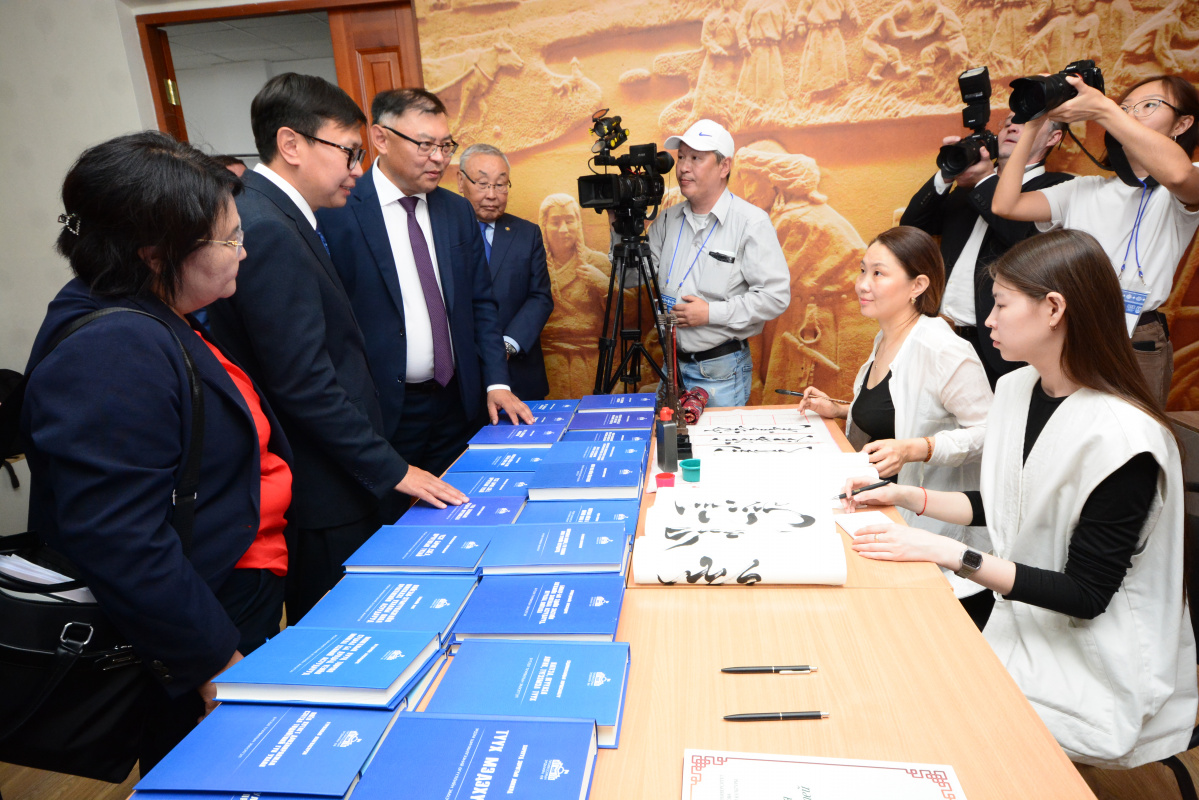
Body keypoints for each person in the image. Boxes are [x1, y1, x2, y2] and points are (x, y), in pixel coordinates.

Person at [841, 229, 1197, 769]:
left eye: (1001, 304)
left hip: (1093, 663)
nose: (988, 321)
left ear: (1053, 308)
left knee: (908, 703)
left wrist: (946, 552)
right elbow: (1009, 503)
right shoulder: (1017, 390)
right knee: (883, 670)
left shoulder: (1125, 440)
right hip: (1020, 621)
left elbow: (1085, 594)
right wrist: (909, 495)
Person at [22, 132, 292, 770]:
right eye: (229, 239)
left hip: (227, 593)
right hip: (193, 629)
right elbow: (119, 538)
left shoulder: (154, 309)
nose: (243, 251)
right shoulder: (112, 348)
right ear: (155, 254)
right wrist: (214, 665)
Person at [207, 74, 465, 624]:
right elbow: (303, 380)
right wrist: (393, 468)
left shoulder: (281, 215)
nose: (357, 168)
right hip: (321, 488)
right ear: (291, 144)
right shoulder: (268, 227)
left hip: (335, 475)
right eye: (348, 151)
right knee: (344, 628)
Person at [317, 88, 532, 484]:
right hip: (384, 411)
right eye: (425, 145)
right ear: (381, 139)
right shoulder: (337, 210)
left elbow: (481, 303)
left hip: (458, 403)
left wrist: (496, 381)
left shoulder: (456, 210)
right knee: (394, 514)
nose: (439, 158)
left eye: (445, 145)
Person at [799, 227, 993, 625]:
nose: (862, 284)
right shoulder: (885, 337)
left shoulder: (944, 349)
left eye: (878, 273)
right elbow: (896, 410)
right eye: (862, 270)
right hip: (883, 510)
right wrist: (840, 409)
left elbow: (990, 434)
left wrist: (917, 448)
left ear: (917, 285)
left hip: (932, 530)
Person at [991, 73, 1199, 406]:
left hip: (1135, 338)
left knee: (1132, 433)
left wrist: (1104, 109)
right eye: (1125, 107)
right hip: (1072, 330)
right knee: (1070, 428)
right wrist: (1033, 123)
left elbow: (1178, 175)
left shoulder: (1183, 185)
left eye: (1149, 106)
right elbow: (1005, 204)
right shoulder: (1085, 188)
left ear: (1182, 124)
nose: (1132, 113)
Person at [901, 113, 1073, 387]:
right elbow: (913, 227)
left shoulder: (1057, 188)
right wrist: (947, 174)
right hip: (942, 334)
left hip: (999, 347)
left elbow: (1022, 239)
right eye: (1008, 122)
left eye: (1027, 122)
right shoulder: (969, 190)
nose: (1012, 126)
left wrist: (984, 180)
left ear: (1053, 137)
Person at [643, 119, 790, 407]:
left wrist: (710, 313)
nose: (683, 167)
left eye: (696, 158)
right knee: (666, 438)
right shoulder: (668, 219)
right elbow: (633, 278)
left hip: (719, 374)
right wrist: (619, 229)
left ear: (724, 167)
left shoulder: (751, 222)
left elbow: (775, 297)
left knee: (715, 440)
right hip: (670, 367)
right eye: (681, 157)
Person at [455, 143, 553, 401]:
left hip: (518, 374)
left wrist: (507, 345)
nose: (492, 195)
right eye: (482, 184)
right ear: (461, 181)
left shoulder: (527, 234)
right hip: (459, 376)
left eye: (500, 185)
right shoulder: (442, 233)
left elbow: (540, 297)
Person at [540, 193, 612, 398]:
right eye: (555, 222)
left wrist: (605, 284)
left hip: (592, 360)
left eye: (569, 221)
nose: (563, 229)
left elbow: (626, 317)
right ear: (544, 225)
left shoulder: (597, 263)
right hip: (548, 362)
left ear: (578, 223)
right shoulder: (535, 266)